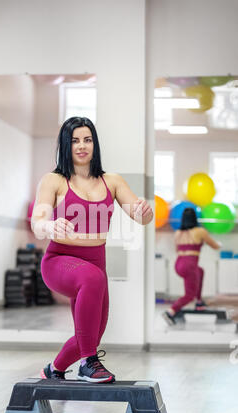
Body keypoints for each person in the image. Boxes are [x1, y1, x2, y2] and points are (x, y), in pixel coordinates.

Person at [31, 116, 153, 383]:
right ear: (66, 145)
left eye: (87, 139)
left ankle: (53, 371)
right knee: (92, 281)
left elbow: (141, 217)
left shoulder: (112, 181)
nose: (82, 146)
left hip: (95, 266)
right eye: (75, 141)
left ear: (94, 144)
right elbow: (37, 222)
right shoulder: (54, 181)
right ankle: (88, 364)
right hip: (59, 262)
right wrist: (50, 226)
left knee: (90, 335)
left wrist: (145, 212)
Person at [162, 207, 222, 326]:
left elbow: (177, 249)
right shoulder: (200, 231)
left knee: (200, 271)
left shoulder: (178, 233)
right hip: (189, 264)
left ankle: (199, 302)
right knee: (189, 295)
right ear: (195, 219)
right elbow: (215, 246)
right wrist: (219, 244)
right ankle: (170, 311)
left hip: (179, 264)